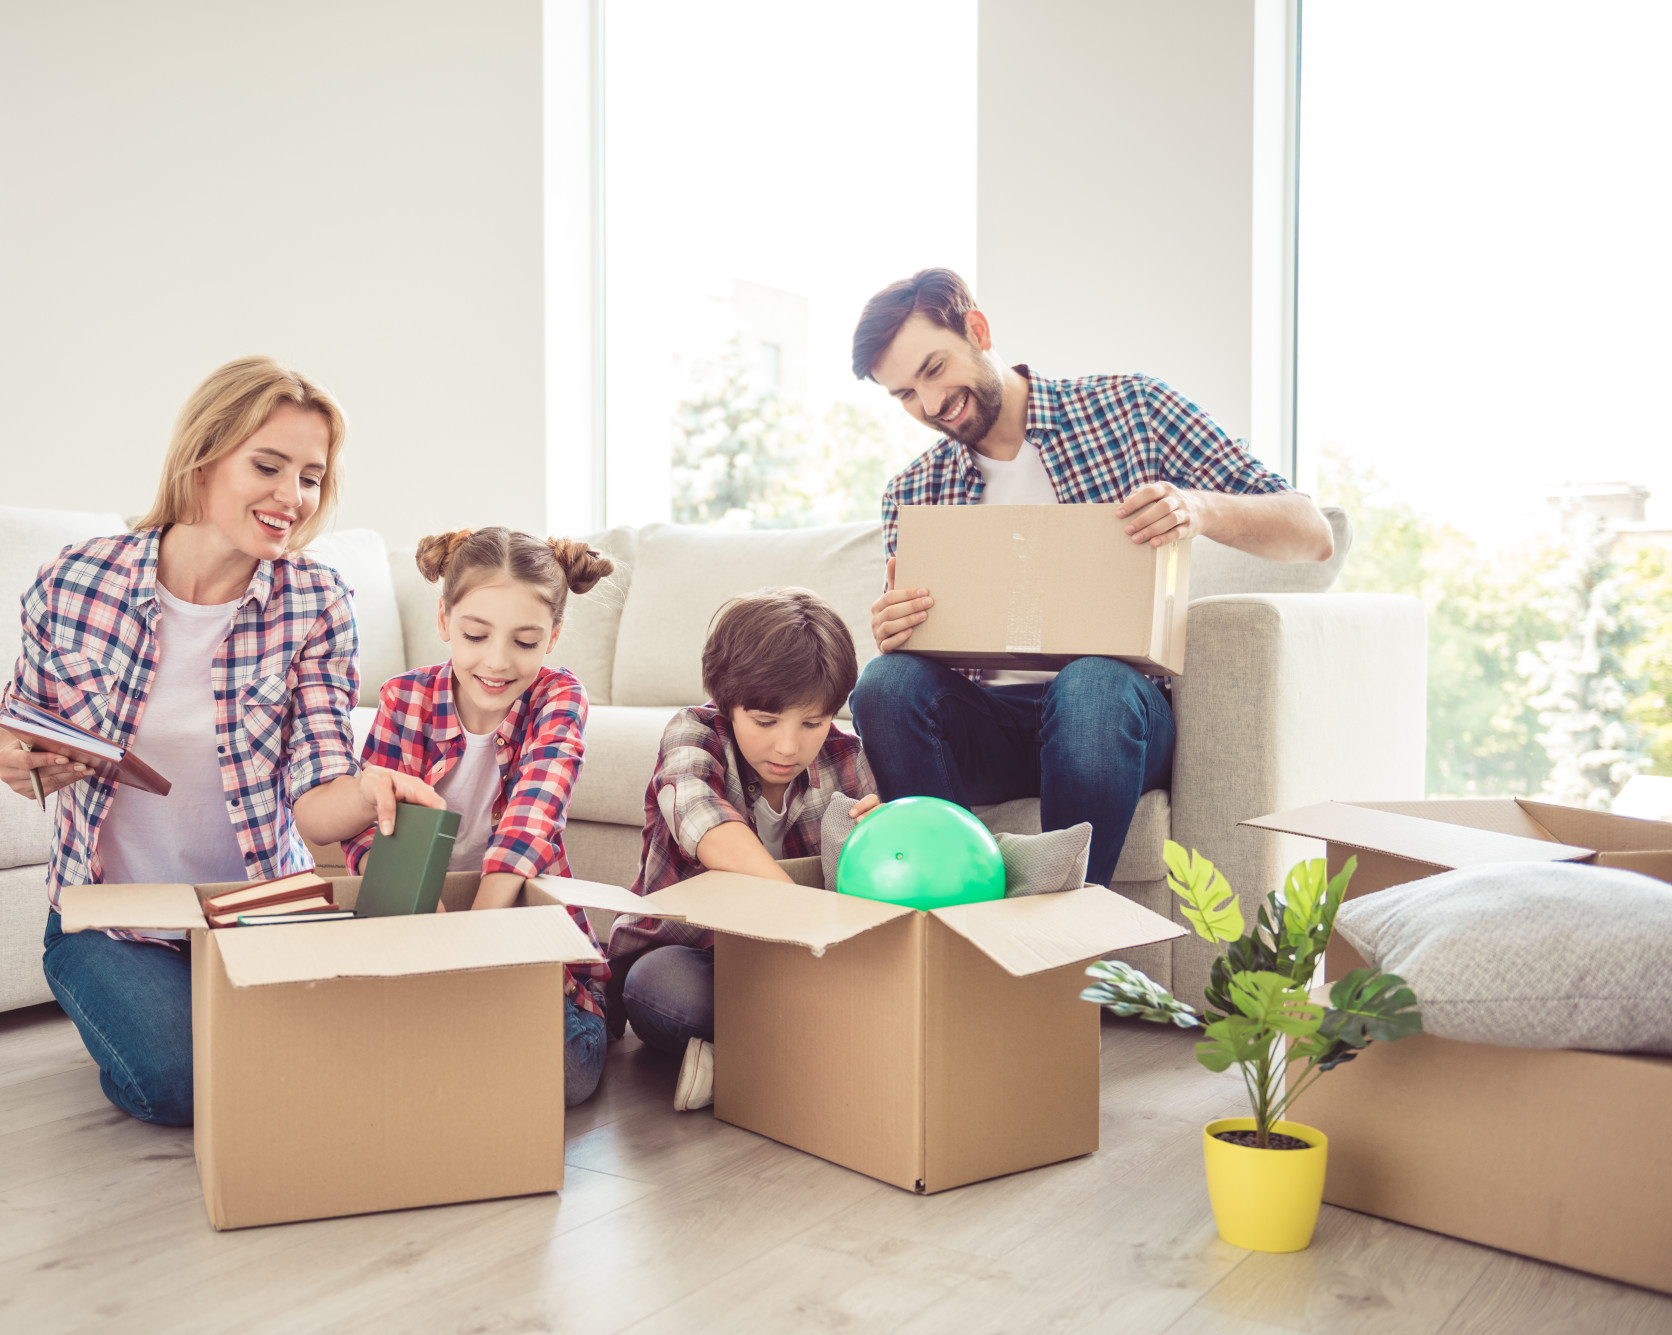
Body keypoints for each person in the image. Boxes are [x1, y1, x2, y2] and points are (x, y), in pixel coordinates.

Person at [0, 356, 442, 1127]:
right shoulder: (73, 581)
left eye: (310, 476)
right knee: (179, 1083)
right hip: (113, 915)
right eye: (267, 466)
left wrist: (369, 792)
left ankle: (215, 1014)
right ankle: (164, 1014)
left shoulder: (316, 599)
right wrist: (21, 764)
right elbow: (19, 741)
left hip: (262, 905)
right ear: (201, 461)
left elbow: (315, 796)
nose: (291, 497)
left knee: (379, 1048)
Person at [846, 268, 1334, 889]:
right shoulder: (913, 491)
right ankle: (952, 915)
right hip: (991, 726)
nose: (932, 404)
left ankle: (1065, 932)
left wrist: (1198, 507)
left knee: (1092, 685)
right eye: (907, 396)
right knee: (885, 683)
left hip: (1108, 717)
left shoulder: (1132, 409)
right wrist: (899, 631)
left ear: (978, 329)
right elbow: (922, 678)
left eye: (936, 368)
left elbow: (1310, 531)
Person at [341, 527, 616, 1106]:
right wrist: (435, 931)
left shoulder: (558, 698)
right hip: (423, 925)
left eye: (524, 641)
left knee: (562, 1072)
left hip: (516, 938)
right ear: (444, 623)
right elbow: (373, 828)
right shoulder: (403, 699)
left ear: (553, 637)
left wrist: (471, 946)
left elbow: (532, 819)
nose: (496, 662)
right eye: (475, 635)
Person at [609, 588, 878, 1111]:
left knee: (872, 976)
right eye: (765, 721)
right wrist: (807, 923)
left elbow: (862, 885)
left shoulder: (845, 759)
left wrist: (876, 839)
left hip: (799, 965)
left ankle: (752, 1060)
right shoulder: (694, 734)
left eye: (813, 723)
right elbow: (703, 824)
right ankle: (816, 1046)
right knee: (656, 988)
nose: (788, 746)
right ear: (727, 704)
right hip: (703, 957)